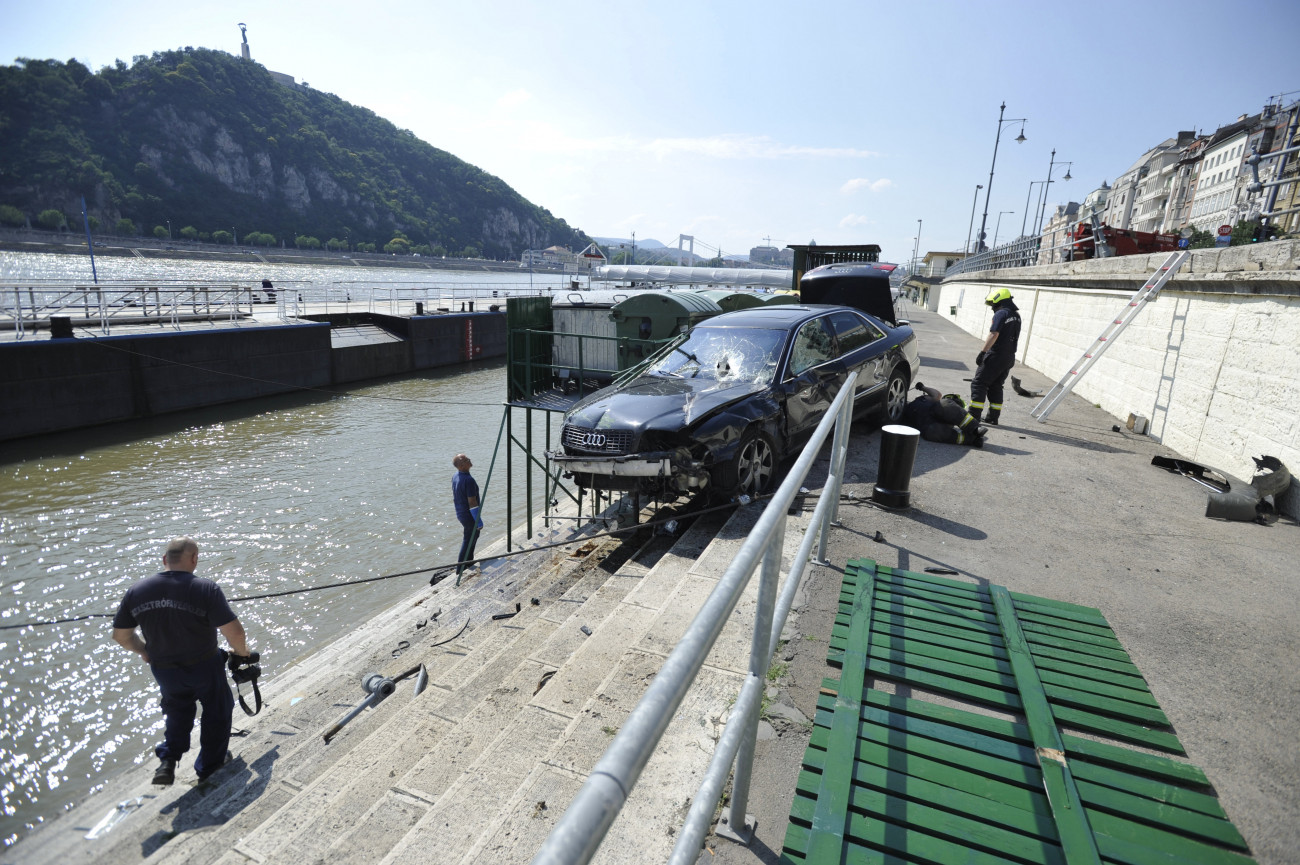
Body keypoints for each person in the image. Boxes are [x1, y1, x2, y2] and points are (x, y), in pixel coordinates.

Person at [112, 537, 252, 786]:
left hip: (165, 670)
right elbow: (235, 632)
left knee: (177, 711)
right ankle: (209, 766)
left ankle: (168, 760)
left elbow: (121, 636)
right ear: (194, 559)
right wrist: (242, 653)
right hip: (204, 665)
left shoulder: (137, 591)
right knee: (217, 711)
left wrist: (144, 651)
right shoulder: (205, 588)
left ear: (165, 560)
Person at [969, 287, 1022, 426]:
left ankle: (973, 416)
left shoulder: (1001, 314)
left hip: (996, 355)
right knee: (996, 386)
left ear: (999, 301)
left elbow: (994, 334)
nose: (992, 307)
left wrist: (983, 352)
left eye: (993, 304)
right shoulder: (1016, 316)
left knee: (979, 384)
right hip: (1009, 357)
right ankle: (993, 417)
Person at [902, 382, 986, 447]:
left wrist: (923, 387)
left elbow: (938, 396)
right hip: (926, 423)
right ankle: (973, 438)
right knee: (933, 429)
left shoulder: (921, 400)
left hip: (933, 419)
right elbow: (937, 394)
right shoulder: (901, 413)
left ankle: (975, 429)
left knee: (943, 406)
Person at [452, 454, 483, 575]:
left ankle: (469, 562)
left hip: (460, 513)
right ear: (461, 466)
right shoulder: (468, 480)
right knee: (468, 539)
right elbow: (472, 502)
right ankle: (460, 569)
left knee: (473, 536)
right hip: (469, 515)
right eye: (466, 460)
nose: (470, 460)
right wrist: (478, 521)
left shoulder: (456, 476)